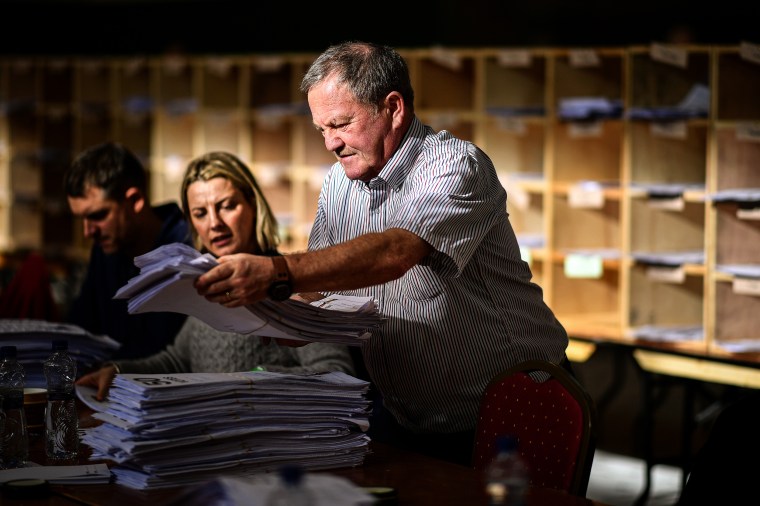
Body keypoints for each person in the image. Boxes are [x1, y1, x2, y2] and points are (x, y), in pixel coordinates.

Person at [193, 41, 569, 467]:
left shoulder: (455, 165)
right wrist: (265, 312)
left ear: (393, 107)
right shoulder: (339, 182)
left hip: (517, 406)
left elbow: (398, 251)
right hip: (412, 417)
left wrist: (278, 271)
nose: (330, 144)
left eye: (340, 124)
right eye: (321, 129)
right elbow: (320, 287)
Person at [76, 151, 355, 401]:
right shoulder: (206, 282)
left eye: (226, 206)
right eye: (200, 213)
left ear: (253, 205)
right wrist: (117, 371)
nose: (214, 224)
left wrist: (255, 378)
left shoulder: (287, 282)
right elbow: (176, 361)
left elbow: (336, 371)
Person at [64, 141, 192, 359]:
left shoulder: (189, 248)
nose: (87, 232)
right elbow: (81, 330)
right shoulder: (105, 250)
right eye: (82, 219)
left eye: (97, 216)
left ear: (135, 200)